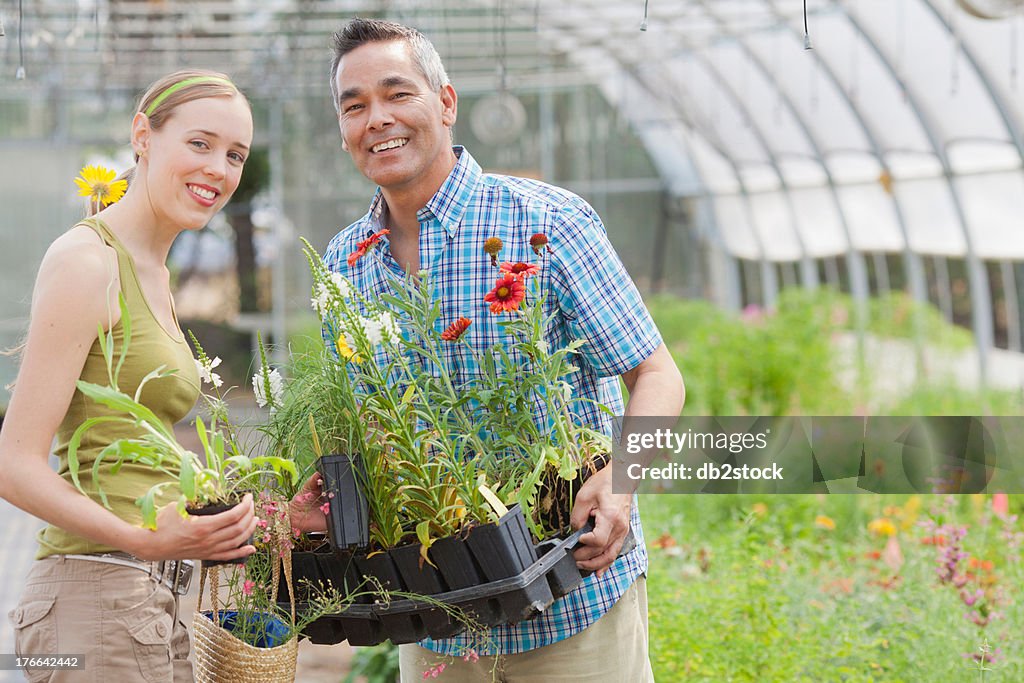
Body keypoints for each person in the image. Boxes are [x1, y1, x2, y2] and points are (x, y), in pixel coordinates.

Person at [320, 18, 685, 682]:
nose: (378, 119)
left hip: (574, 604)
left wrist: (621, 484)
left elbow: (656, 373)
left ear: (446, 102)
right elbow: (360, 428)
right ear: (343, 132)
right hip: (437, 621)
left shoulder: (545, 222)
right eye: (355, 105)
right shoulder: (346, 260)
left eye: (397, 93)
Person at [0, 69, 258, 682]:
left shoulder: (156, 276)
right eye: (199, 144)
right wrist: (139, 538)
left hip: (147, 598)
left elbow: (124, 444)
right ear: (143, 135)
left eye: (235, 155)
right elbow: (13, 463)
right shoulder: (86, 261)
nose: (218, 170)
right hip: (91, 598)